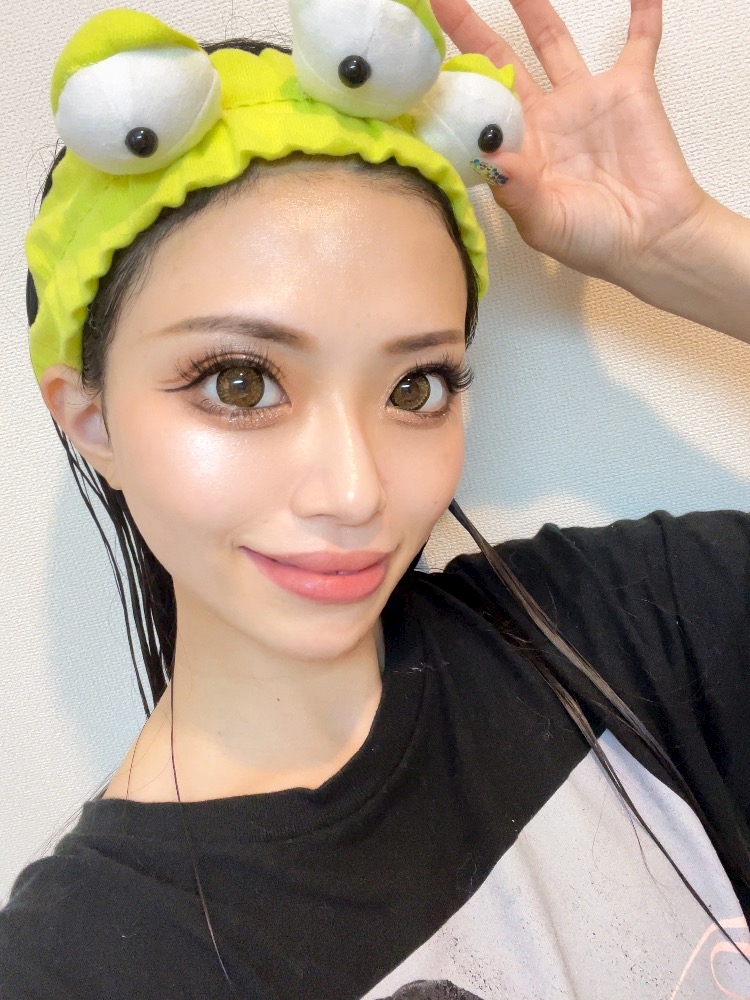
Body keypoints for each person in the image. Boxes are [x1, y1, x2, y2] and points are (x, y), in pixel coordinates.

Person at [1, 0, 749, 998]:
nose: (354, 492)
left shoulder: (630, 631)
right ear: (91, 421)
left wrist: (691, 254)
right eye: (241, 383)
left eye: (416, 388)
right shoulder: (72, 968)